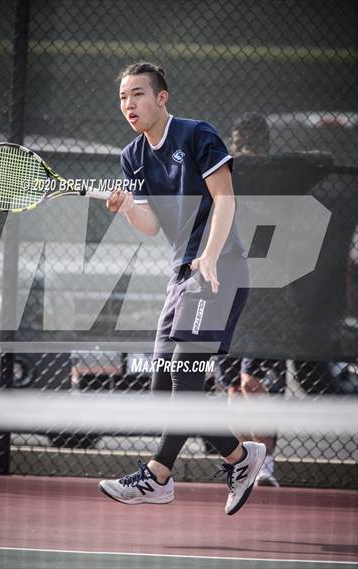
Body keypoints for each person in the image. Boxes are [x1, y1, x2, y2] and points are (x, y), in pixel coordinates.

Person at [98, 62, 266, 515]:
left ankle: (157, 475)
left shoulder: (196, 135)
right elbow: (152, 226)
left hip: (219, 269)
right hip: (181, 277)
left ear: (161, 98)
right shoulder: (132, 156)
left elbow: (225, 199)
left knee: (186, 379)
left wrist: (209, 255)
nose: (129, 104)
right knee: (163, 391)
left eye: (137, 94)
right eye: (122, 97)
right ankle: (239, 457)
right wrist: (128, 208)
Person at [211, 113, 287, 487]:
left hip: (268, 302)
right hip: (229, 295)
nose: (244, 148)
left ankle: (267, 464)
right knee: (230, 389)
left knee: (250, 383)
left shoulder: (279, 178)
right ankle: (242, 464)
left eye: (252, 142)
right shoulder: (225, 177)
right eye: (239, 141)